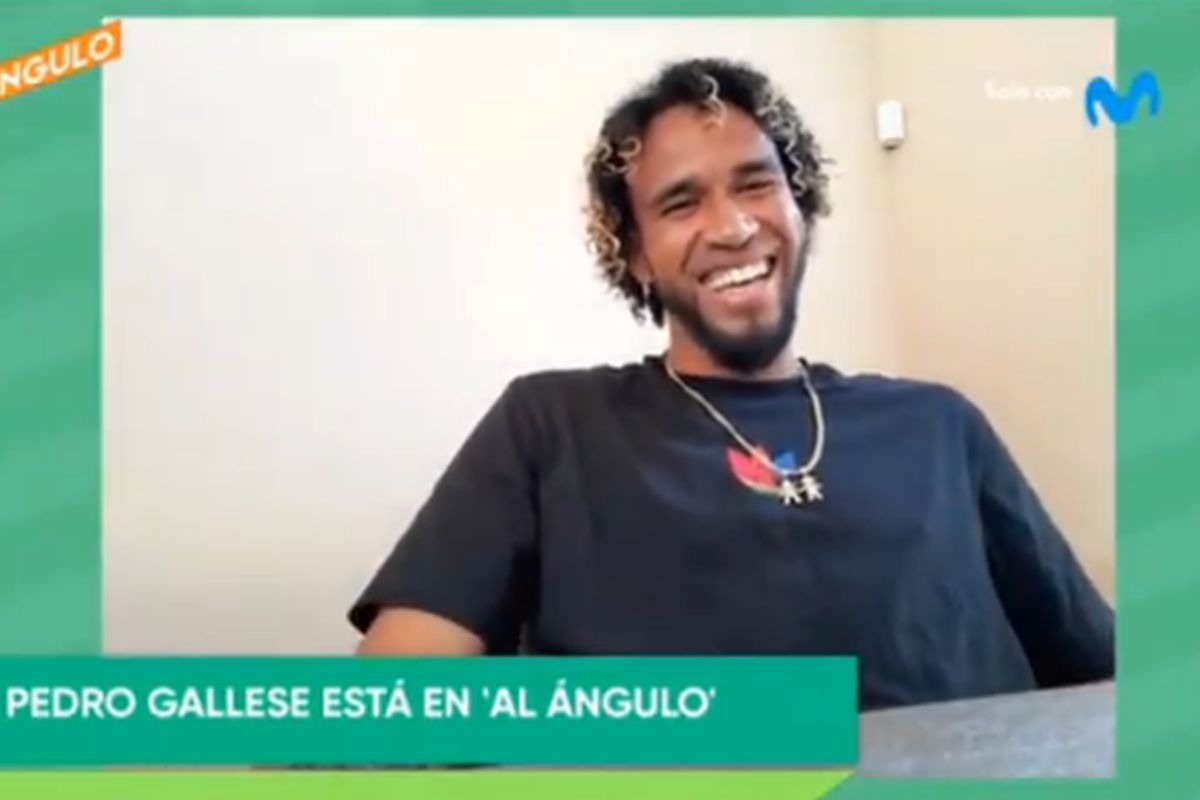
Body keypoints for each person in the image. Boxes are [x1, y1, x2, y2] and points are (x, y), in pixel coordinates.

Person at [348, 57, 1114, 710]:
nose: (733, 227)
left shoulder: (939, 426)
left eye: (756, 185)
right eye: (681, 203)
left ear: (799, 208)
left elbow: (1110, 682)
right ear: (637, 255)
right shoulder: (550, 425)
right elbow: (381, 712)